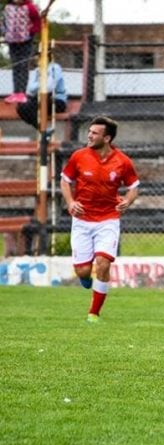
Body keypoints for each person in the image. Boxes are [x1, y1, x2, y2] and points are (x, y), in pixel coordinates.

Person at [60, 116, 139, 323]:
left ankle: (94, 313)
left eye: (94, 133)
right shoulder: (79, 157)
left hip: (108, 220)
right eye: (89, 131)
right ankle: (85, 278)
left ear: (107, 138)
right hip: (82, 220)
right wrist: (70, 202)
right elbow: (65, 181)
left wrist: (128, 201)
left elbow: (133, 187)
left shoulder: (122, 161)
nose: (89, 135)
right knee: (83, 270)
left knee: (103, 263)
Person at [2, 0, 40, 104]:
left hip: (25, 40)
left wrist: (30, 33)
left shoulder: (30, 7)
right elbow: (5, 22)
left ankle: (22, 92)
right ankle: (15, 92)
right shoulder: (8, 8)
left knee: (23, 65)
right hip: (12, 41)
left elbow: (37, 22)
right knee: (15, 66)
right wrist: (5, 33)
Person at [16, 56, 67, 130]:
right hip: (38, 100)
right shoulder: (37, 70)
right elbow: (30, 90)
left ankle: (43, 130)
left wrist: (37, 84)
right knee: (21, 108)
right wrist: (42, 83)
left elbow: (49, 87)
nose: (37, 59)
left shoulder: (55, 68)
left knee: (33, 104)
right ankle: (43, 130)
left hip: (56, 100)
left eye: (40, 57)